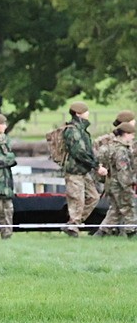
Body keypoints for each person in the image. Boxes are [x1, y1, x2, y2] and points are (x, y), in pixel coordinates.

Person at [61, 101, 103, 237]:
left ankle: (74, 223)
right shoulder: (72, 131)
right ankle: (73, 226)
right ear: (79, 114)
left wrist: (95, 164)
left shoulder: (82, 130)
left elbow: (88, 151)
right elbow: (79, 152)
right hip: (74, 171)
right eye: (86, 111)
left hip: (83, 170)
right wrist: (95, 165)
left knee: (94, 197)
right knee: (77, 199)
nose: (88, 113)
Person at [93, 110, 134, 234]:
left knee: (115, 210)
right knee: (128, 207)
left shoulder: (112, 143)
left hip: (111, 181)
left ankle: (102, 232)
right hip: (119, 182)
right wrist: (128, 185)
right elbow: (123, 170)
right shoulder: (119, 147)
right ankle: (132, 232)